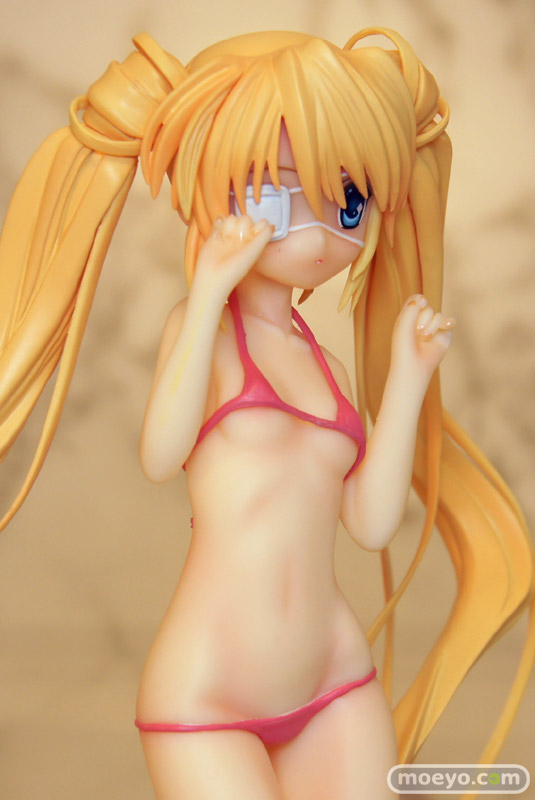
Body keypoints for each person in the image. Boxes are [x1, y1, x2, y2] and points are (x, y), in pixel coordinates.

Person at [0, 28, 532, 800]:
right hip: (208, 694)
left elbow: (369, 523)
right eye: (276, 196)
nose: (320, 232)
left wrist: (410, 378)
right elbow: (161, 454)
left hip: (334, 678)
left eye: (348, 201)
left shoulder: (328, 367)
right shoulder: (204, 333)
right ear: (213, 193)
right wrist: (209, 292)